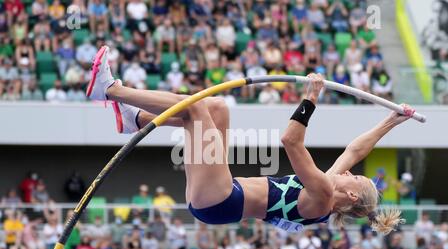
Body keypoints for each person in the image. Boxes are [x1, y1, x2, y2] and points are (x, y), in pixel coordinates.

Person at [86, 46, 417, 236]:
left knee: (197, 109)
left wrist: (310, 100)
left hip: (220, 200)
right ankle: (135, 119)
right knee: (216, 109)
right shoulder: (331, 187)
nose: (349, 172)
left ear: (352, 193)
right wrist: (392, 120)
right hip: (222, 195)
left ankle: (111, 90)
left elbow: (290, 140)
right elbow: (355, 149)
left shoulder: (324, 194)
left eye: (354, 177)